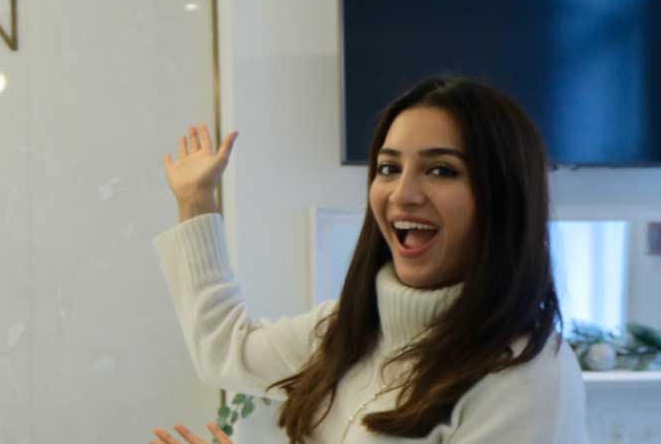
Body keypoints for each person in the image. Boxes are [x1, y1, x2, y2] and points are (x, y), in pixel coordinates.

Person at [150, 77, 588, 443]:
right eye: (388, 168)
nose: (403, 194)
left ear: (502, 196)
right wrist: (196, 200)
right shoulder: (346, 331)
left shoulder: (528, 376)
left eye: (441, 170)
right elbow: (225, 352)